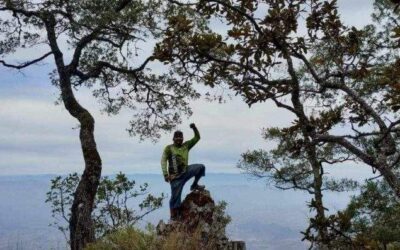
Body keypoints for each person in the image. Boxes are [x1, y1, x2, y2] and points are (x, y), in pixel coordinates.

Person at [161, 123, 206, 220]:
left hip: (186, 171)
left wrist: (194, 128)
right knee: (175, 197)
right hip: (175, 177)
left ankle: (194, 185)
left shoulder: (186, 146)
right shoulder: (169, 148)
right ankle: (173, 216)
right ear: (173, 139)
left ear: (182, 138)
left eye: (180, 137)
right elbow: (163, 160)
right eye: (176, 137)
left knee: (201, 167)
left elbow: (197, 137)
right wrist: (165, 174)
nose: (179, 139)